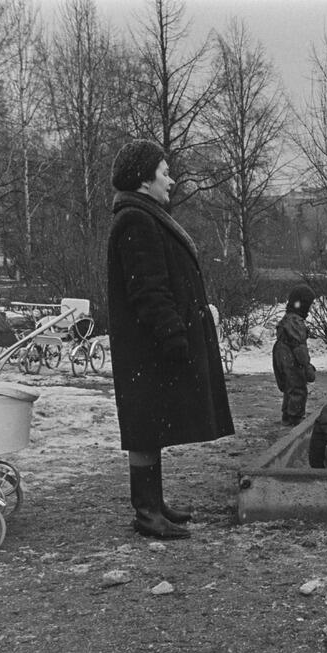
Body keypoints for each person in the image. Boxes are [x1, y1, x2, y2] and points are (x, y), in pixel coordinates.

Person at [107, 139, 234, 540]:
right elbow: (148, 289)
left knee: (151, 423)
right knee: (145, 424)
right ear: (145, 180)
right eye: (165, 172)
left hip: (149, 345)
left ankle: (153, 504)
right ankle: (147, 512)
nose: (172, 181)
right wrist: (172, 335)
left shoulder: (143, 215)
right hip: (148, 346)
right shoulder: (136, 220)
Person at [273, 284, 317, 426]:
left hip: (282, 353)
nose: (309, 309)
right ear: (302, 304)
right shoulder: (295, 322)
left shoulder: (288, 318)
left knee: (289, 385)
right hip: (290, 356)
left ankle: (287, 413)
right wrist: (306, 365)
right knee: (298, 385)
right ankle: (295, 416)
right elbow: (299, 347)